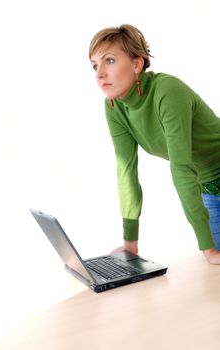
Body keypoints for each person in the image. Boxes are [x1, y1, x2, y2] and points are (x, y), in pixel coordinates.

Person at [89, 24, 220, 264]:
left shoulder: (167, 91)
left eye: (109, 61)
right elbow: (126, 172)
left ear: (137, 64)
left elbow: (182, 167)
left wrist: (207, 248)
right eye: (95, 65)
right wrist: (130, 244)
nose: (99, 74)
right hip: (209, 189)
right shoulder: (115, 108)